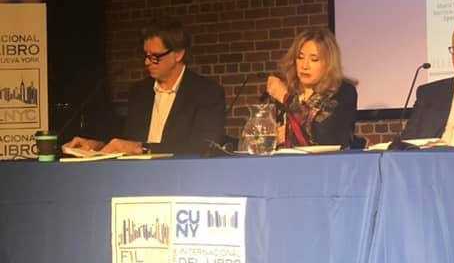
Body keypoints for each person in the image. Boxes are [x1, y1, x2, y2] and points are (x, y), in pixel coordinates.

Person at [63, 19, 225, 155]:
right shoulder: (140, 92)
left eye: (155, 57)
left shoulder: (207, 93)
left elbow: (204, 147)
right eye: (146, 56)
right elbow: (127, 141)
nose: (147, 62)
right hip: (136, 179)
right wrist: (97, 147)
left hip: (183, 180)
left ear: (178, 54)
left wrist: (142, 148)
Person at [265, 28, 357, 148]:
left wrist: (286, 98)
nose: (304, 65)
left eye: (314, 59)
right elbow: (269, 137)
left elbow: (326, 137)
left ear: (328, 63)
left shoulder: (342, 91)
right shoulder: (292, 90)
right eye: (300, 57)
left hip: (328, 164)